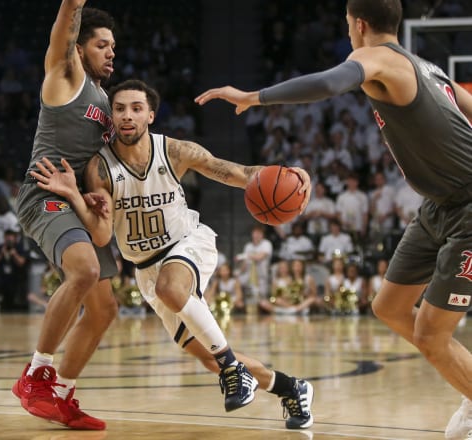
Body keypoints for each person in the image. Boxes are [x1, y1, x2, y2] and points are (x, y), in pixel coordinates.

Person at [195, 1, 472, 437]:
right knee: (389, 307)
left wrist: (255, 96)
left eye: (347, 25)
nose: (348, 34)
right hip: (437, 205)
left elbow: (328, 83)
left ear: (359, 25)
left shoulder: (376, 56)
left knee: (432, 336)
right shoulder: (428, 68)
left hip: (468, 207)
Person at [31, 79, 314, 429]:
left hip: (188, 244)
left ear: (150, 115)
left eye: (136, 108)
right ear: (111, 117)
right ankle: (291, 388)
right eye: (119, 109)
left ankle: (232, 369)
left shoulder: (176, 151)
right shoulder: (99, 168)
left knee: (177, 295)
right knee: (208, 357)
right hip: (145, 270)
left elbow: (240, 174)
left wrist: (289, 174)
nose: (127, 116)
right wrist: (75, 195)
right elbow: (102, 235)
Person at [11, 0, 118, 431]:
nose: (111, 52)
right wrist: (73, 6)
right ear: (80, 48)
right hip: (44, 192)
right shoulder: (65, 75)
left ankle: (61, 394)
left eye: (114, 46)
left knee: (104, 309)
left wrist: (93, 195)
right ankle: (36, 374)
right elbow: (64, 31)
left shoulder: (105, 99)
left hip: (75, 200)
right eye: (102, 45)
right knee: (84, 270)